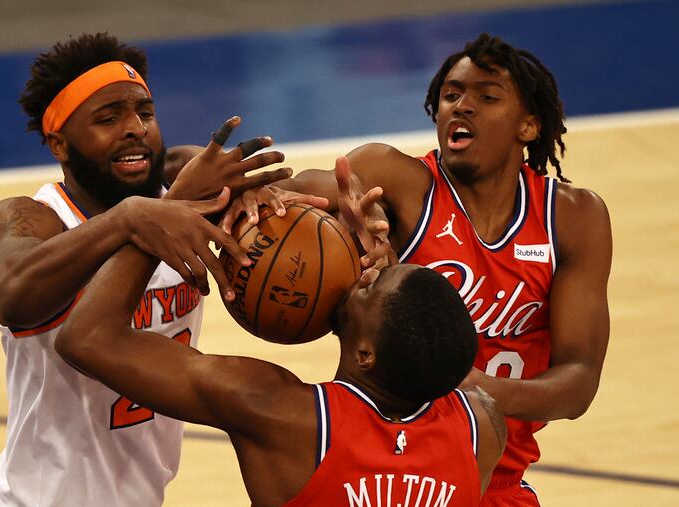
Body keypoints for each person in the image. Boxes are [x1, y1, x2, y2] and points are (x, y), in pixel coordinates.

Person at [234, 33, 612, 505]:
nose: (462, 106)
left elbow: (578, 382)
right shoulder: (397, 180)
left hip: (499, 477)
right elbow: (311, 190)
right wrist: (260, 195)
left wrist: (468, 386)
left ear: (530, 126)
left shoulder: (573, 218)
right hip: (392, 467)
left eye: (486, 96)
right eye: (451, 95)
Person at [0, 32, 298, 507]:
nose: (134, 129)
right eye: (108, 119)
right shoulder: (32, 217)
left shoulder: (181, 195)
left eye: (144, 113)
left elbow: (185, 163)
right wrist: (128, 218)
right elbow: (14, 296)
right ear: (59, 145)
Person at [53, 188, 507, 505]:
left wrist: (150, 218)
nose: (365, 271)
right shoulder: (481, 424)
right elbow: (436, 349)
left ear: (366, 354)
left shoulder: (280, 414)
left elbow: (86, 337)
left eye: (372, 286)